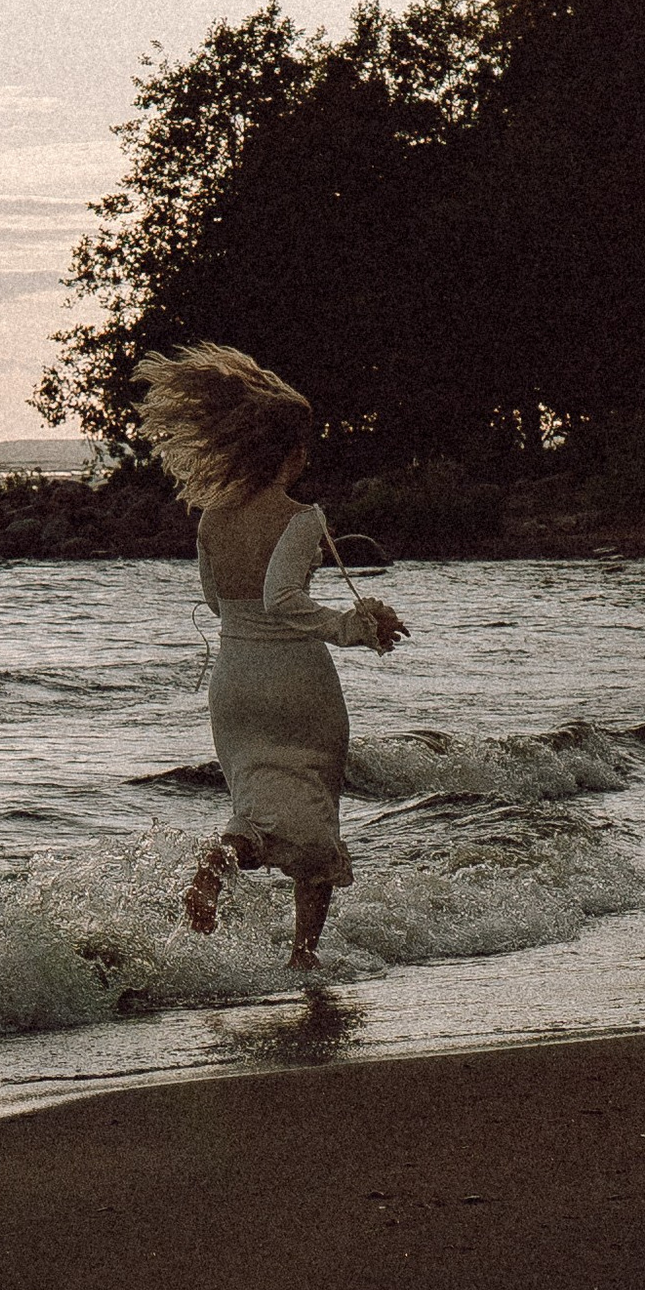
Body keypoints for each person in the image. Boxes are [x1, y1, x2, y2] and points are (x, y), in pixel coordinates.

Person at [131, 342, 406, 969]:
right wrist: (351, 627)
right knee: (314, 805)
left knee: (255, 802)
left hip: (234, 683)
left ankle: (223, 859)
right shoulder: (302, 516)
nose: (306, 457)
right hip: (293, 681)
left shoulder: (210, 518)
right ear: (285, 453)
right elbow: (282, 599)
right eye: (302, 446)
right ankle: (303, 956)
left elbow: (217, 599)